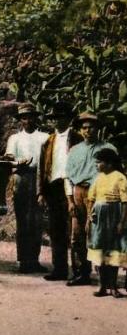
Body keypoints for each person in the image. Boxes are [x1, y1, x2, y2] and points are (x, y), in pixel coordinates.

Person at [65, 113, 118, 286]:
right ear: (80, 130)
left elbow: (116, 175)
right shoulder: (74, 150)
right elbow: (68, 177)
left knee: (101, 234)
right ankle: (81, 273)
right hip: (79, 192)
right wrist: (70, 201)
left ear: (98, 129)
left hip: (101, 194)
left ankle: (107, 278)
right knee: (77, 235)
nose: (88, 131)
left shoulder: (108, 148)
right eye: (85, 128)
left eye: (92, 127)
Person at [37, 102, 82, 281]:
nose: (57, 121)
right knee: (56, 230)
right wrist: (40, 192)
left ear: (68, 119)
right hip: (54, 188)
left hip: (73, 186)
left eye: (61, 117)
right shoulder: (48, 141)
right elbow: (41, 168)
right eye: (54, 118)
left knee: (75, 230)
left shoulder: (77, 138)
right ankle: (59, 269)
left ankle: (79, 271)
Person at [5, 102, 49, 273]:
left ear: (35, 118)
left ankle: (34, 260)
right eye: (24, 117)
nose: (27, 120)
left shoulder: (44, 137)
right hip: (21, 177)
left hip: (38, 177)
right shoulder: (14, 139)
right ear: (20, 120)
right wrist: (18, 162)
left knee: (37, 221)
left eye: (30, 117)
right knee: (23, 220)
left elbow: (47, 161)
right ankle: (23, 260)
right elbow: (9, 160)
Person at [86, 148, 127, 298]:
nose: (97, 165)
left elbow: (124, 202)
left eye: (99, 162)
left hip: (114, 215)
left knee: (114, 251)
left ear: (109, 163)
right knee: (100, 251)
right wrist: (89, 218)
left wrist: (122, 222)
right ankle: (102, 285)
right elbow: (91, 199)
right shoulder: (98, 178)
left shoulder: (120, 177)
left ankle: (114, 286)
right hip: (99, 218)